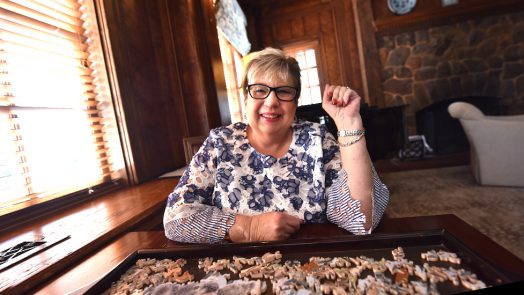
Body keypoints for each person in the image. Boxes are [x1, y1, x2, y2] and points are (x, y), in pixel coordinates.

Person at [164, 47, 389, 243]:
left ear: (295, 101)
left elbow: (360, 220)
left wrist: (349, 123)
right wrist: (249, 229)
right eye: (260, 90)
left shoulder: (318, 140)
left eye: (283, 91)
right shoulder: (219, 143)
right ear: (246, 98)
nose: (271, 102)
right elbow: (176, 218)